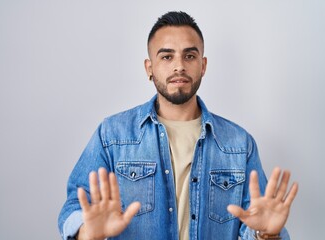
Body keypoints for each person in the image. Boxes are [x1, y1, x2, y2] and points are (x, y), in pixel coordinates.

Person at [58, 11, 298, 240]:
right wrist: (88, 233)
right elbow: (74, 208)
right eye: (166, 56)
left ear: (203, 66)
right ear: (149, 68)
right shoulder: (112, 135)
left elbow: (257, 222)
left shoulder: (238, 144)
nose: (179, 66)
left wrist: (267, 234)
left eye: (189, 56)